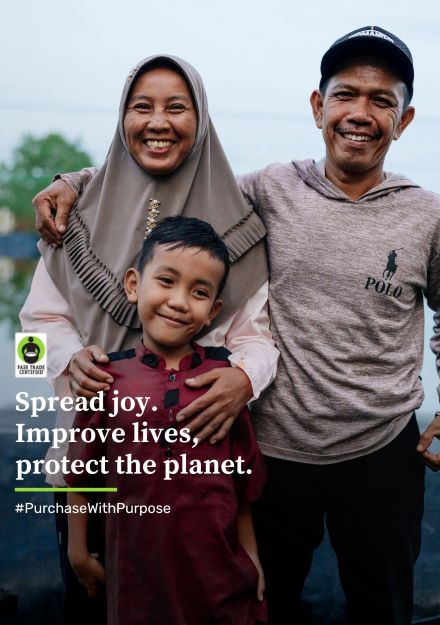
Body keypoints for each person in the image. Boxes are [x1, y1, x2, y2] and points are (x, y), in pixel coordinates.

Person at [33, 27, 440, 625]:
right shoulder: (268, 189)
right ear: (318, 106)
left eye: (383, 101)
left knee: (385, 606)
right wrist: (77, 179)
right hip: (273, 453)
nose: (362, 113)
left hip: (381, 452)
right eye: (346, 94)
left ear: (404, 120)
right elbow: (168, 168)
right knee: (263, 601)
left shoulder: (430, 216)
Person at [22, 54, 278, 624]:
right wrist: (70, 359)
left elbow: (258, 338)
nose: (157, 121)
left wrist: (243, 377)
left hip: (198, 492)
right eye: (142, 107)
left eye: (176, 107)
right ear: (122, 118)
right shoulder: (73, 217)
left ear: (201, 119)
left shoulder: (238, 226)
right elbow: (30, 336)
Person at [66, 216, 267, 625]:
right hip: (136, 578)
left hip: (219, 578)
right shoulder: (106, 377)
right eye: (166, 281)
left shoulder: (223, 381)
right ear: (134, 285)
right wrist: (77, 550)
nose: (179, 301)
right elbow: (80, 475)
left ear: (213, 311)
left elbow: (242, 488)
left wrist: (252, 558)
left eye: (198, 292)